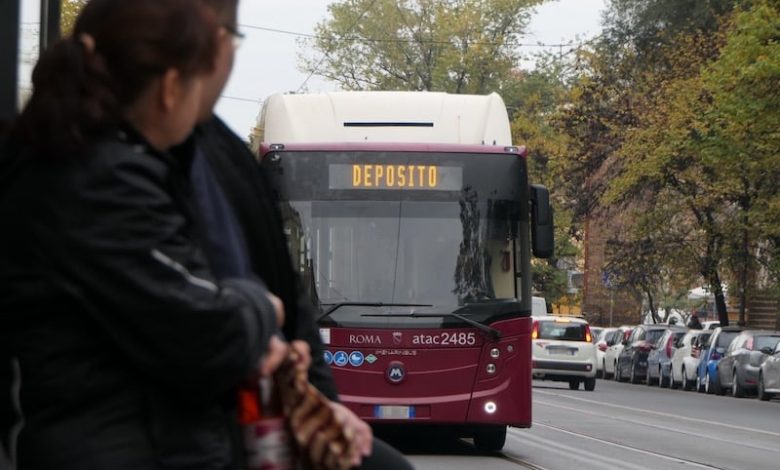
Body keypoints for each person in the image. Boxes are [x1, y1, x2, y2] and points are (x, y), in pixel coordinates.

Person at [0, 1, 292, 468]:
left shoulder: (79, 161)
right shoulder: (106, 181)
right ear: (172, 88)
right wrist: (262, 304)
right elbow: (204, 333)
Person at [187, 2, 413, 468]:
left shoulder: (217, 149)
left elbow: (283, 289)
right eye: (229, 38)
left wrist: (324, 404)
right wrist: (259, 322)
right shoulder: (155, 156)